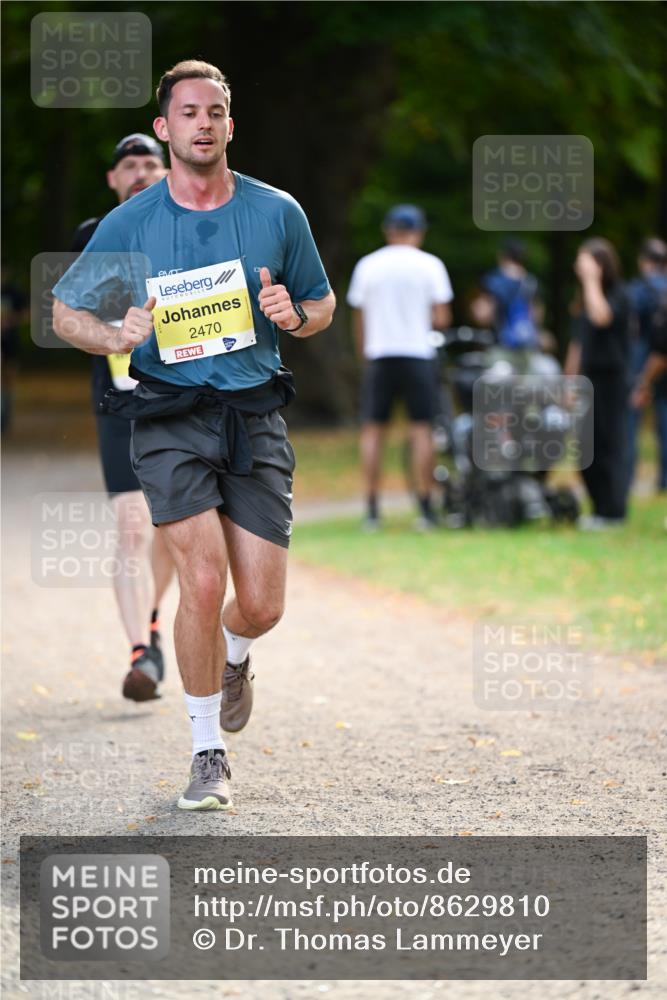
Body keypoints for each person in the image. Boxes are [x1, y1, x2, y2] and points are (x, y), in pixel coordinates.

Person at [52, 60, 335, 811]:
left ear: (229, 125)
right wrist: (118, 331)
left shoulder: (277, 211)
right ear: (164, 127)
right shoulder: (131, 222)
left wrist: (292, 315)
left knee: (262, 604)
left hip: (253, 417)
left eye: (215, 112)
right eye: (187, 112)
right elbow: (64, 316)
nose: (202, 123)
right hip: (170, 416)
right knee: (201, 580)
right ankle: (206, 753)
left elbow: (320, 303)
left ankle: (237, 654)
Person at [70, 133, 176, 703]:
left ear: (167, 171)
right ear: (112, 180)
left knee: (172, 528)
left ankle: (152, 618)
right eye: (128, 166)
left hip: (182, 397)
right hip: (120, 401)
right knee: (134, 524)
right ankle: (141, 652)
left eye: (149, 164)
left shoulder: (193, 226)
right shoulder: (95, 235)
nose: (139, 172)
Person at [347, 204, 453, 530]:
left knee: (373, 431)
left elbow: (359, 316)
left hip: (380, 354)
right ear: (418, 232)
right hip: (417, 353)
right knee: (422, 429)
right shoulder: (430, 265)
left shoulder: (368, 265)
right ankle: (425, 508)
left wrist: (365, 353)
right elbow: (441, 317)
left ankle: (372, 509)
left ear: (388, 230)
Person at [565, 238, 632, 528]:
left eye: (585, 261)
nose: (579, 267)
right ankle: (598, 507)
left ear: (601, 264)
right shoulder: (582, 300)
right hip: (587, 380)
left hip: (611, 380)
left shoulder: (619, 295)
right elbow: (577, 344)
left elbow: (602, 316)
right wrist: (569, 381)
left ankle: (613, 511)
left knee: (608, 443)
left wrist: (593, 280)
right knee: (585, 446)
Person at [626, 238, 667, 493]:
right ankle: (664, 480)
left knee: (630, 419)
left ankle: (627, 477)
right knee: (665, 418)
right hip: (663, 359)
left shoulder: (637, 290)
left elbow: (629, 329)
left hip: (641, 359)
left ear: (643, 261)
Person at [470, 239, 540, 355]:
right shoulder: (531, 282)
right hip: (527, 347)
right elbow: (536, 316)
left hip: (499, 346)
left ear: (502, 256)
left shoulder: (493, 280)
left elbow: (483, 316)